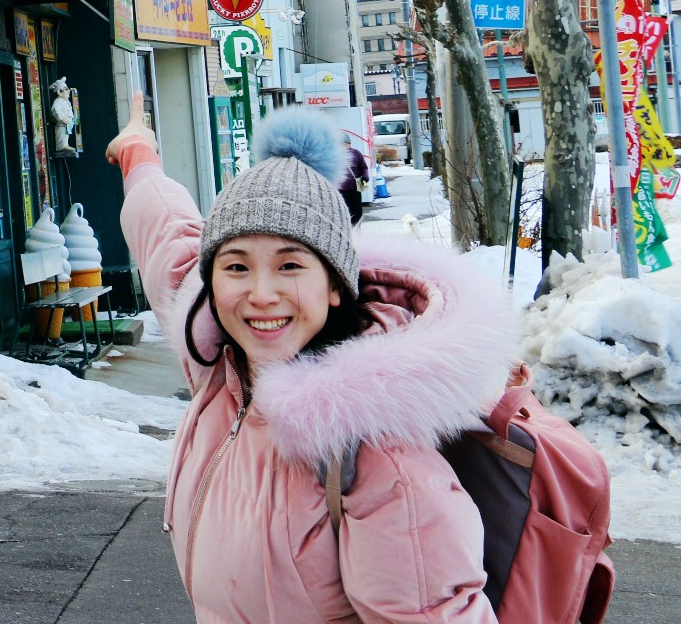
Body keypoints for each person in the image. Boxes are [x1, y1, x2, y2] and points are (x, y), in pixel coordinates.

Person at [108, 93, 515, 624]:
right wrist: (138, 152)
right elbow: (167, 235)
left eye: (290, 266)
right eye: (235, 267)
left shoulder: (378, 458)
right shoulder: (221, 366)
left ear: (335, 287)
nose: (260, 293)